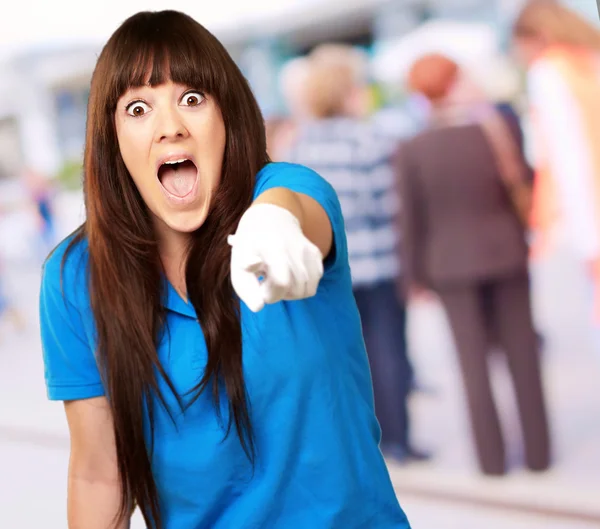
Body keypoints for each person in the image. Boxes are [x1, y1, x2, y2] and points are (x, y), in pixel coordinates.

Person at [38, 10, 411, 529]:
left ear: (227, 115)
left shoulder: (289, 190)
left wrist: (274, 227)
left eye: (193, 99)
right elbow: (101, 477)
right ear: (112, 138)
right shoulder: (74, 278)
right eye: (139, 108)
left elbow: (296, 209)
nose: (171, 127)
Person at [399, 53, 551, 476]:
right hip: (506, 252)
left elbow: (411, 218)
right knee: (523, 355)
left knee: (472, 364)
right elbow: (525, 180)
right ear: (453, 83)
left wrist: (414, 277)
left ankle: (492, 462)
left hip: (449, 265)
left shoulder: (413, 148)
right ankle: (540, 454)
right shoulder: (498, 129)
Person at [284, 44, 428, 464]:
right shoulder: (371, 138)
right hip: (380, 261)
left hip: (330, 268)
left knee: (350, 354)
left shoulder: (301, 143)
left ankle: (366, 440)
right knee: (390, 350)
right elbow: (387, 204)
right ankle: (399, 439)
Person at [512, 0, 600, 347]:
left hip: (587, 207)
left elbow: (559, 154)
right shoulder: (590, 60)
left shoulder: (548, 73)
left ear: (538, 37)